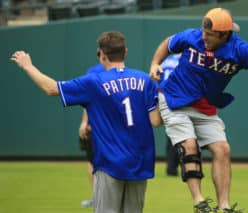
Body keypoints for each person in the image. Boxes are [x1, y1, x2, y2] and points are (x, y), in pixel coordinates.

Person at [149, 7, 248, 213]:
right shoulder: (192, 36)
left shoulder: (239, 50)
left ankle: (224, 207)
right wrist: (154, 63)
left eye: (210, 34)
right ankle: (199, 203)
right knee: (189, 145)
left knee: (223, 150)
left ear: (225, 34)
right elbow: (168, 43)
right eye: (203, 31)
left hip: (205, 107)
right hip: (174, 99)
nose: (203, 36)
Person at [11, 31, 161, 213]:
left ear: (103, 55)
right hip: (139, 162)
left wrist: (28, 66)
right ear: (126, 52)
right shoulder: (145, 80)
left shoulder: (94, 82)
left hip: (110, 162)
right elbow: (156, 121)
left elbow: (51, 88)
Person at [78, 62, 105, 208]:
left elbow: (88, 98)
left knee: (94, 163)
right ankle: (97, 197)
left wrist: (84, 122)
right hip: (102, 127)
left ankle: (98, 198)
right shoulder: (123, 72)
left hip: (98, 127)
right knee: (94, 163)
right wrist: (84, 122)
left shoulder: (94, 72)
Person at [159, 54, 180, 176]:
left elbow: (158, 77)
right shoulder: (186, 60)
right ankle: (183, 166)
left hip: (164, 98)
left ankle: (171, 167)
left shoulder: (166, 61)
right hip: (180, 98)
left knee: (171, 133)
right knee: (184, 134)